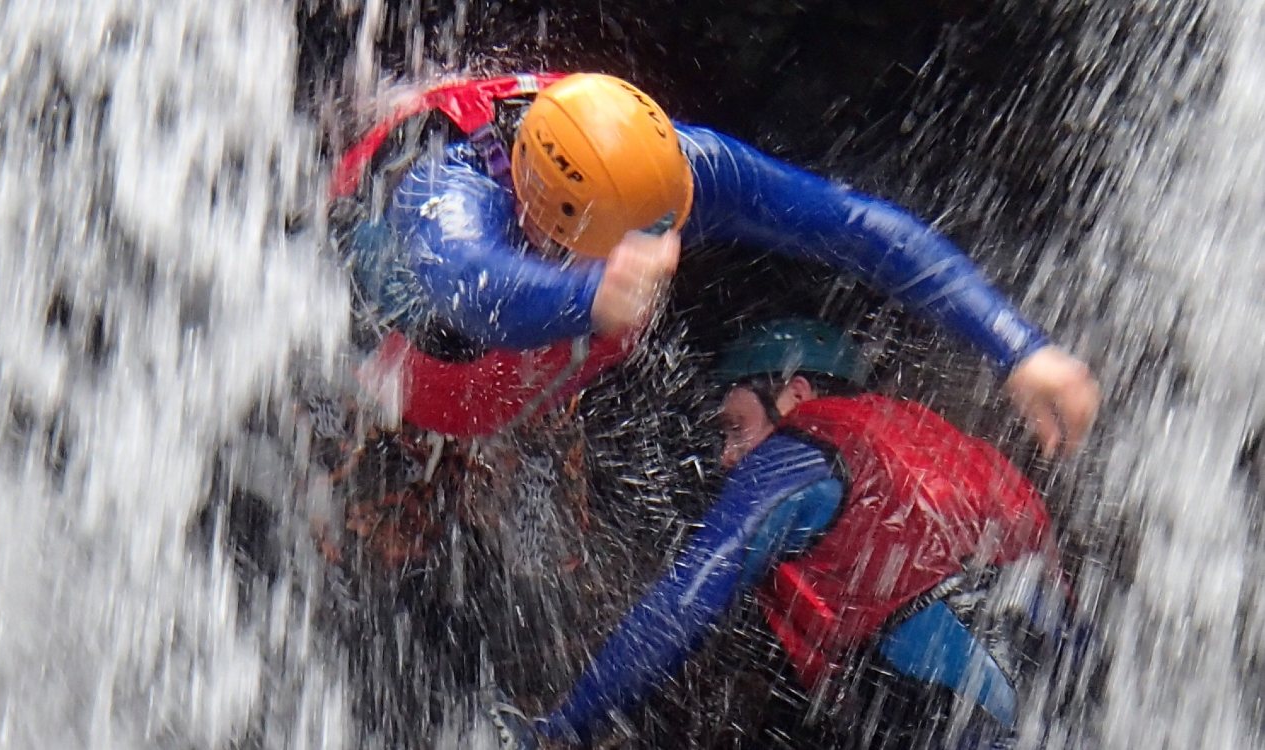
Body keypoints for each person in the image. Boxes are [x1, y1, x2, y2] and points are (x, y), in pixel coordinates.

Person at [332, 71, 1099, 456]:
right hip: (381, 304)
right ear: (545, 218)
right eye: (640, 242)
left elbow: (859, 229)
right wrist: (589, 296)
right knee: (390, 295)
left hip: (533, 315)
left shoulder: (680, 172)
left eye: (669, 228)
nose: (667, 250)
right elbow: (471, 288)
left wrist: (1017, 348)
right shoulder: (445, 194)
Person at [488, 318, 1080, 749]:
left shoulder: (805, 445)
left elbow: (684, 602)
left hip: (970, 717)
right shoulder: (956, 452)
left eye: (736, 426)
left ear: (795, 394)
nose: (727, 458)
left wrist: (565, 728)